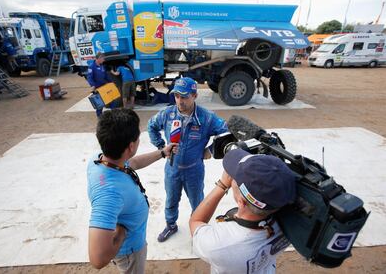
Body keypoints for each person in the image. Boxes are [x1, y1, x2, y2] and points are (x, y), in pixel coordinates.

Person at [87, 108, 176, 273]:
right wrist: (121, 233)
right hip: (129, 253)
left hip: (132, 244)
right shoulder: (109, 193)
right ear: (131, 146)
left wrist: (162, 153)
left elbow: (131, 163)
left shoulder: (100, 159)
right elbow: (97, 259)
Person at [189, 148, 297, 274]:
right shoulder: (292, 217)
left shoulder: (219, 245)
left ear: (241, 202)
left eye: (235, 177)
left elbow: (195, 222)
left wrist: (222, 185)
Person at [147, 77, 228, 242]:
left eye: (184, 97)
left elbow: (226, 131)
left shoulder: (207, 118)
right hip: (172, 168)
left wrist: (211, 149)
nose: (180, 101)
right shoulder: (168, 113)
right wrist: (161, 147)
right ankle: (171, 225)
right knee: (170, 200)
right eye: (177, 96)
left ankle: (198, 230)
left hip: (194, 170)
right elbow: (151, 126)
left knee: (197, 203)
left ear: (195, 96)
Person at [86, 52, 114, 117]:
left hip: (104, 87)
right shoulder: (91, 67)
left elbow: (106, 75)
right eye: (103, 59)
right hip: (97, 88)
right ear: (98, 58)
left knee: (111, 100)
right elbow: (89, 77)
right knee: (100, 104)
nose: (104, 60)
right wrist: (93, 85)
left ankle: (113, 114)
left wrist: (111, 82)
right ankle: (100, 117)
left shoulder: (102, 66)